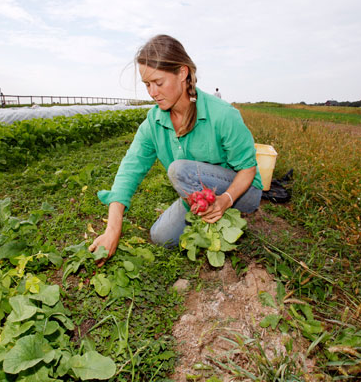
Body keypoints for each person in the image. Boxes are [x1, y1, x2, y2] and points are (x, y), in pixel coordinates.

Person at [88, 34, 263, 266]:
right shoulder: (154, 121)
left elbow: (248, 169)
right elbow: (130, 169)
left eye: (158, 83)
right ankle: (206, 213)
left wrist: (225, 200)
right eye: (147, 84)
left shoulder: (222, 114)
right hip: (197, 191)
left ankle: (219, 213)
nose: (152, 92)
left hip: (242, 191)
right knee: (160, 237)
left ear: (182, 73)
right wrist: (112, 229)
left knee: (180, 171)